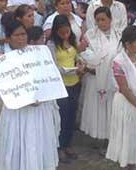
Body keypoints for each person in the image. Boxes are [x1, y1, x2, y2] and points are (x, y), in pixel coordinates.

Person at [0, 20, 60, 170]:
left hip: (39, 109)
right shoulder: (1, 59)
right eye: (16, 35)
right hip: (16, 112)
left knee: (38, 143)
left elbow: (48, 78)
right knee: (17, 145)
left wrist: (42, 95)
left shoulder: (39, 53)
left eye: (23, 34)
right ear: (8, 37)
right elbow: (2, 90)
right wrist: (24, 99)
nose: (21, 38)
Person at [106, 25, 136, 169]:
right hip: (129, 105)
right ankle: (127, 165)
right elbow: (125, 89)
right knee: (128, 137)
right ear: (128, 44)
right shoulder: (119, 62)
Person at [79, 6, 121, 143]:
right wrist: (93, 64)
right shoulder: (90, 36)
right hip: (95, 78)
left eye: (103, 19)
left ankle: (112, 138)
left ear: (110, 19)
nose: (101, 23)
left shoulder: (119, 34)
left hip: (114, 79)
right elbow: (83, 55)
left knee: (112, 108)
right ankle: (98, 139)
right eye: (98, 20)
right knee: (98, 109)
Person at [49, 14, 85, 163]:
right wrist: (71, 70)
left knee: (71, 115)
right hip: (61, 85)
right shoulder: (51, 45)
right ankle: (59, 146)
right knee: (62, 117)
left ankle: (68, 143)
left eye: (67, 31)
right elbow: (55, 66)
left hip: (75, 83)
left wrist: (80, 64)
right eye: (62, 32)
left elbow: (78, 55)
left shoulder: (71, 40)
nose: (65, 35)